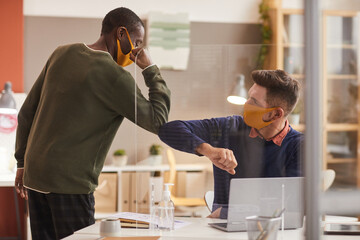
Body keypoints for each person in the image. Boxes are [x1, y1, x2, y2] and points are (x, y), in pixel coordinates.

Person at [14, 7, 170, 240]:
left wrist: (21, 162)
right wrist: (150, 69)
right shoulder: (115, 76)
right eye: (136, 41)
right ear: (120, 34)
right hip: (70, 184)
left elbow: (27, 112)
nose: (137, 50)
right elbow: (158, 121)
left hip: (35, 176)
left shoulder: (61, 53)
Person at [158, 69, 303, 219]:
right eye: (249, 97)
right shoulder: (229, 127)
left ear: (276, 114)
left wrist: (226, 213)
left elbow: (289, 208)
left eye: (254, 102)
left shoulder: (299, 147)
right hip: (223, 230)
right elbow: (168, 130)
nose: (246, 104)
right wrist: (208, 150)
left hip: (273, 231)